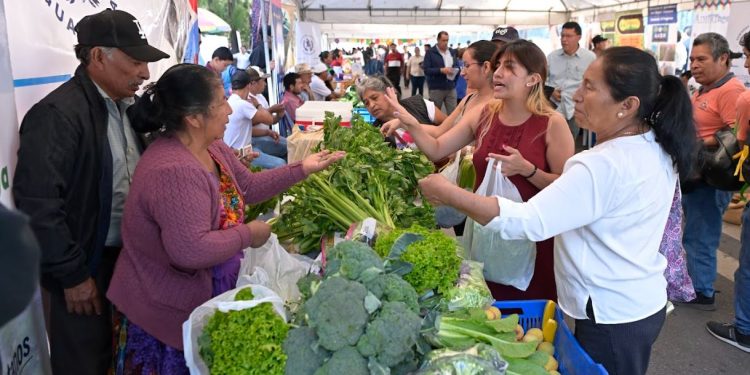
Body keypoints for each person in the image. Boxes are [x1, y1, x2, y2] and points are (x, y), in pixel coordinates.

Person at [417, 46, 696, 375]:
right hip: (639, 303)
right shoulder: (654, 145)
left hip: (610, 314)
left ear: (627, 105)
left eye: (590, 87)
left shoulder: (600, 164)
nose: (576, 95)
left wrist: (449, 193)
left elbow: (526, 221)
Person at [106, 64, 344, 373]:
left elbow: (248, 186)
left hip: (199, 296)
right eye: (220, 102)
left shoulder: (212, 146)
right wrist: (248, 234)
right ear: (193, 117)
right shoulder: (173, 170)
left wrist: (302, 168)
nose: (230, 110)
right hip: (163, 310)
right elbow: (190, 250)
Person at [12, 9, 169, 375]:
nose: (144, 73)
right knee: (86, 364)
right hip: (87, 271)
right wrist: (73, 276)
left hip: (126, 262)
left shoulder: (123, 105)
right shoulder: (57, 114)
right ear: (98, 56)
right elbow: (38, 205)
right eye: (135, 61)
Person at [384, 40, 573, 301]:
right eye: (497, 66)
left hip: (531, 246)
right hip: (484, 234)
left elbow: (566, 191)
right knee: (485, 307)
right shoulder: (484, 114)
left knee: (527, 318)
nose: (497, 73)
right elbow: (437, 148)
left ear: (533, 79)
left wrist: (529, 171)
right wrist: (411, 124)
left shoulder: (552, 124)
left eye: (509, 67)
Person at [677, 32, 746, 311]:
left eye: (702, 59)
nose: (694, 64)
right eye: (692, 59)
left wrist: (697, 142)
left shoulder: (732, 91)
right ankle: (696, 282)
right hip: (696, 174)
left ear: (723, 58)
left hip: (711, 178)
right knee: (694, 231)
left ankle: (701, 292)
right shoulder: (704, 88)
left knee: (701, 234)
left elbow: (736, 134)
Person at [705, 30, 750, 352]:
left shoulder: (744, 97)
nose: (747, 63)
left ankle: (745, 330)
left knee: (747, 266)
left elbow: (740, 140)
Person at [224, 68, 287, 170]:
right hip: (241, 154)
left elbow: (244, 130)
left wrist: (267, 132)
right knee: (281, 164)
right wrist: (258, 105)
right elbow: (269, 119)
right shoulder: (242, 104)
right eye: (262, 81)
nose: (265, 84)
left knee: (286, 146)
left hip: (246, 147)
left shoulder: (231, 100)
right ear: (249, 85)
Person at [547, 21, 596, 141]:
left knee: (569, 142)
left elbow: (594, 82)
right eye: (562, 36)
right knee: (549, 140)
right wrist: (551, 90)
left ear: (578, 37)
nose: (564, 40)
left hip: (575, 107)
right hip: (552, 106)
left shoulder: (590, 58)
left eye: (568, 36)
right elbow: (543, 78)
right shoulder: (552, 57)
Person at [358, 75, 446, 133]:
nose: (371, 105)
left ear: (389, 92)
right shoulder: (377, 133)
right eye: (366, 103)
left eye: (374, 98)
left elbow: (450, 126)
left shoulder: (419, 104)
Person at [424, 31, 460, 114]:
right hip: (436, 88)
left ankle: (453, 127)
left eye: (447, 40)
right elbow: (426, 70)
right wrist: (441, 70)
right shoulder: (430, 53)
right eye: (443, 40)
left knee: (453, 113)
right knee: (435, 114)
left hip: (450, 87)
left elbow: (457, 66)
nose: (445, 43)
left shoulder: (451, 51)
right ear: (438, 40)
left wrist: (455, 70)